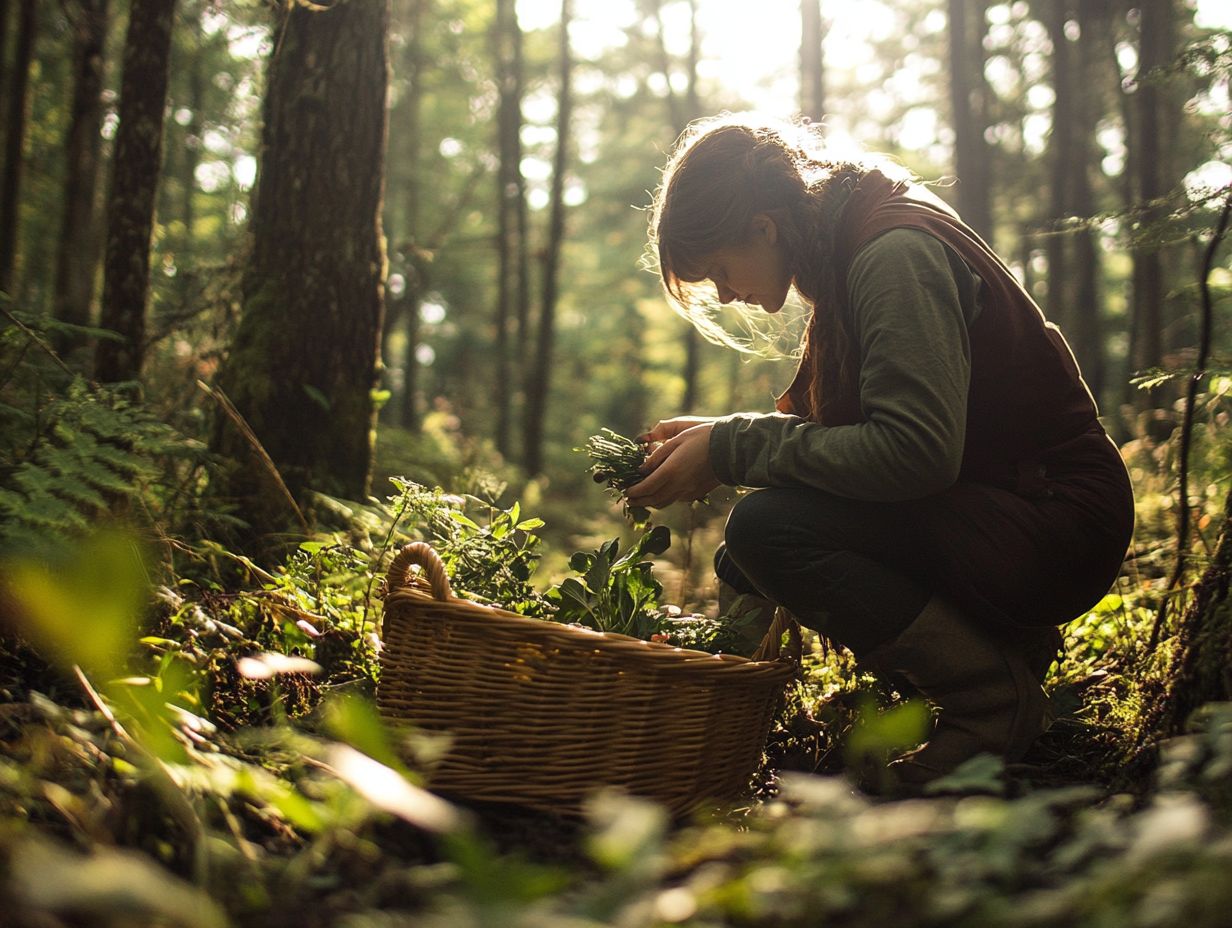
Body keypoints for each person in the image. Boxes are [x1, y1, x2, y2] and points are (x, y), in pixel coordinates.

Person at [625, 115, 1135, 790]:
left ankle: (991, 700)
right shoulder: (846, 233)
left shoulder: (892, 252)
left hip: (1055, 525)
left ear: (762, 227)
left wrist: (733, 447)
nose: (725, 295)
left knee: (766, 529)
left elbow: (915, 454)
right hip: (1006, 507)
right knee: (747, 554)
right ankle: (708, 725)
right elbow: (875, 430)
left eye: (719, 271)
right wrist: (717, 436)